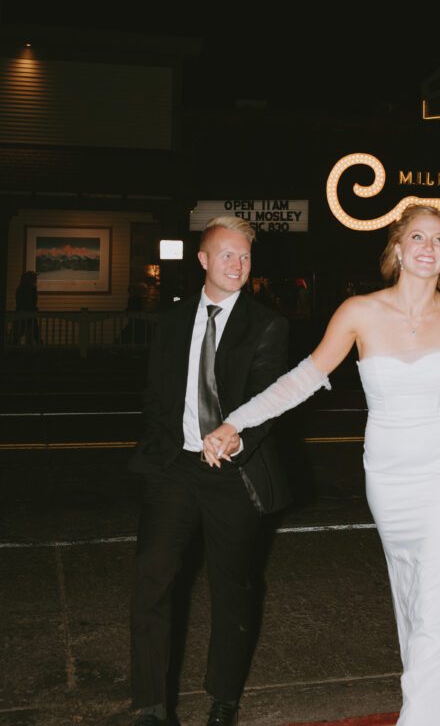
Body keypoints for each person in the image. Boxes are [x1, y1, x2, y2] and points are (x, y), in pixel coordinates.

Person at [204, 204, 440, 725]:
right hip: (389, 472)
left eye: (439, 241)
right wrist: (236, 422)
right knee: (417, 592)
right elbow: (301, 379)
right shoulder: (359, 312)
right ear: (397, 247)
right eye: (418, 236)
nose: (427, 247)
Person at [128, 215, 291, 726]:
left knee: (232, 586)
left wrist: (238, 434)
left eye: (244, 257)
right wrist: (163, 447)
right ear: (203, 259)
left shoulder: (267, 325)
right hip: (175, 467)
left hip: (232, 472)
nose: (238, 265)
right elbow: (157, 393)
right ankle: (151, 706)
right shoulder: (173, 321)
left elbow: (269, 398)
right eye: (227, 255)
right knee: (152, 574)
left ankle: (223, 697)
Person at [10, 270, 41, 344]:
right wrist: (33, 310)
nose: (36, 279)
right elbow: (28, 303)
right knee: (32, 335)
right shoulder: (29, 289)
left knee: (17, 336)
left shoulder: (22, 289)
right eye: (34, 278)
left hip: (22, 315)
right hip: (27, 316)